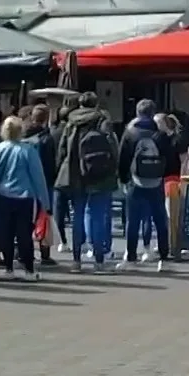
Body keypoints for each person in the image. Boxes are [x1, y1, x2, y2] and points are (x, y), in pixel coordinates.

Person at [55, 92, 118, 272]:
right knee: (97, 217)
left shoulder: (70, 123)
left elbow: (62, 151)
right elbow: (113, 147)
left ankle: (76, 260)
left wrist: (61, 172)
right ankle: (99, 260)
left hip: (75, 175)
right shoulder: (102, 120)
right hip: (99, 174)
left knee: (78, 217)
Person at [0, 115, 51, 279]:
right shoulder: (28, 151)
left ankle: (9, 268)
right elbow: (38, 177)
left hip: (3, 196)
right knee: (24, 234)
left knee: (6, 233)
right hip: (25, 197)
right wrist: (44, 201)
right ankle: (29, 269)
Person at [118, 99, 175, 271]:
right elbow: (170, 159)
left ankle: (132, 257)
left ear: (137, 113)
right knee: (160, 220)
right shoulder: (160, 135)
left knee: (133, 221)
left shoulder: (130, 133)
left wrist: (123, 178)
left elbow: (123, 158)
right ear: (152, 113)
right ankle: (164, 258)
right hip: (156, 182)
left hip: (136, 182)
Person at [25, 104, 61, 267]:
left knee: (26, 218)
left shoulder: (24, 136)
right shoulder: (47, 138)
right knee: (44, 216)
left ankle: (23, 252)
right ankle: (44, 253)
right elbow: (52, 162)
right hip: (44, 181)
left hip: (26, 182)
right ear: (46, 118)